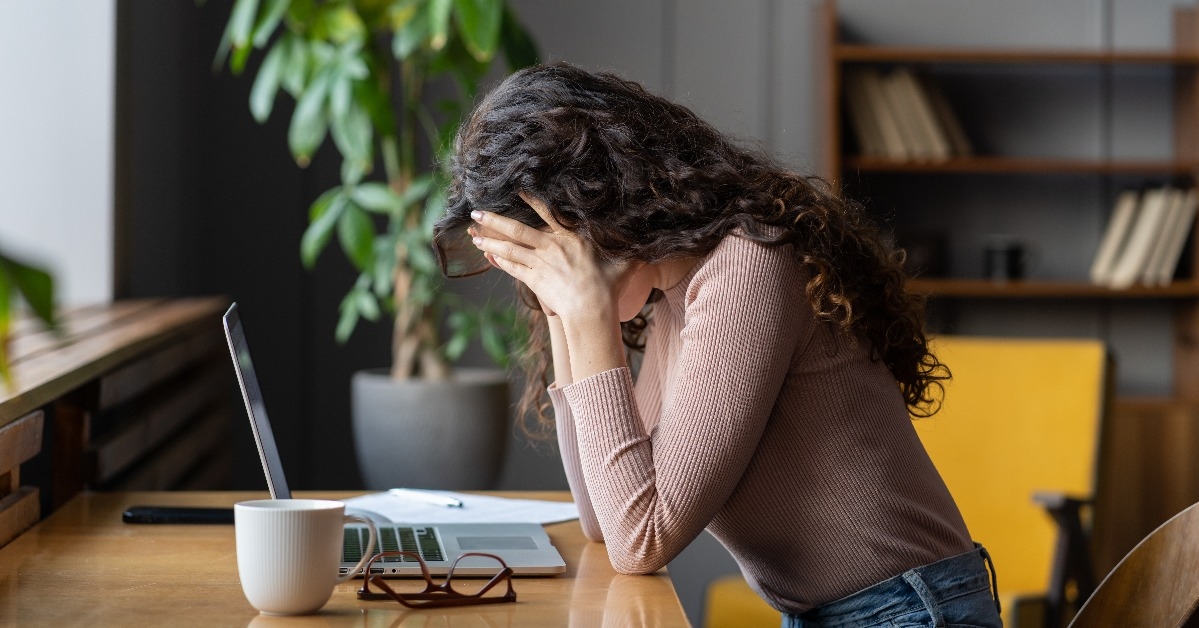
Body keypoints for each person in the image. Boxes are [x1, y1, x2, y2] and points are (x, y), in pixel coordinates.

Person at [432, 62, 1002, 627]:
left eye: (546, 254)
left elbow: (641, 539)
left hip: (914, 611)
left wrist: (586, 312)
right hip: (846, 613)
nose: (547, 276)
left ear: (599, 203)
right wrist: (560, 309)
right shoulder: (672, 297)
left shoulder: (748, 263)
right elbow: (602, 520)